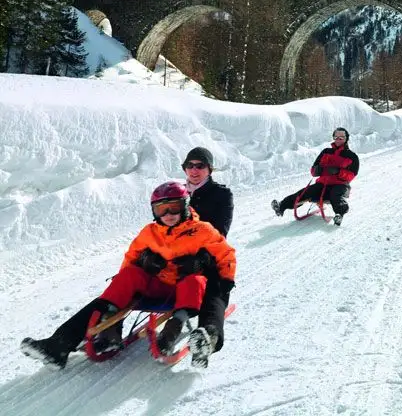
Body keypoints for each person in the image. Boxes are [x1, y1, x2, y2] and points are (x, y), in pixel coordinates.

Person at [20, 181, 236, 370]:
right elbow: (130, 260)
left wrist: (224, 282)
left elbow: (226, 255)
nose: (168, 214)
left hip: (185, 290)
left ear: (186, 206)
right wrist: (144, 262)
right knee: (127, 276)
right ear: (154, 212)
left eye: (174, 207)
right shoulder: (149, 232)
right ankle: (59, 345)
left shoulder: (202, 230)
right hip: (157, 286)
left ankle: (173, 329)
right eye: (161, 209)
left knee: (195, 280)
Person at [180, 147, 235, 365]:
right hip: (174, 254)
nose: (194, 170)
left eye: (200, 165)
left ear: (209, 169)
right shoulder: (177, 192)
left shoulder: (221, 194)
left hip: (209, 255)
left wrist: (201, 255)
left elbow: (220, 231)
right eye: (190, 165)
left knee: (215, 286)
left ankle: (208, 337)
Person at [271, 127, 359, 226]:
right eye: (336, 137)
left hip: (340, 185)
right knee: (305, 192)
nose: (338, 140)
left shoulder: (352, 156)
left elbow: (351, 175)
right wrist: (317, 170)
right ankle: (281, 206)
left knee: (335, 195)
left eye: (341, 138)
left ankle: (339, 214)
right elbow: (313, 170)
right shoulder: (326, 152)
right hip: (322, 184)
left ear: (346, 139)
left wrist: (338, 171)